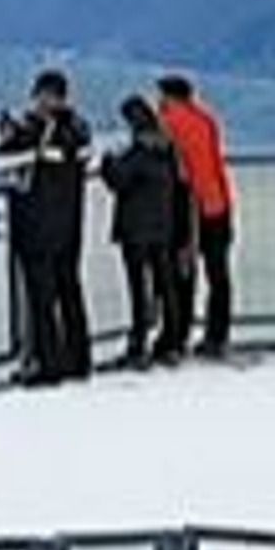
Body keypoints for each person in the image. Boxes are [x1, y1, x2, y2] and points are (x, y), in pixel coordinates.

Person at [0, 67, 92, 385]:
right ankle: (78, 359)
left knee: (40, 298)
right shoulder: (79, 129)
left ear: (42, 96)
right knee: (70, 292)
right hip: (69, 226)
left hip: (34, 227)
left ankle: (47, 364)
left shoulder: (32, 132)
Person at [99, 95, 187, 368]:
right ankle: (172, 342)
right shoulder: (167, 150)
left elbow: (118, 180)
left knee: (139, 290)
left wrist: (106, 163)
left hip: (135, 231)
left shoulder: (138, 153)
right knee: (166, 285)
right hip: (163, 229)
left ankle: (138, 346)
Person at [156, 72, 236, 358]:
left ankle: (177, 336)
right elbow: (215, 163)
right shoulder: (206, 120)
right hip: (217, 203)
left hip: (189, 206)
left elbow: (173, 167)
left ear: (169, 97)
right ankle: (218, 334)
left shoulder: (168, 123)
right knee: (219, 275)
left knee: (182, 274)